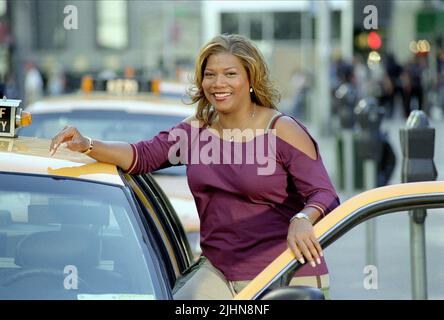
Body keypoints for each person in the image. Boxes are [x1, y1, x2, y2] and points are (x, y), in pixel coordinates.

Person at [50, 34, 340, 299]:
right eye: (210, 75)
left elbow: (325, 195)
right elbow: (141, 156)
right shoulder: (193, 132)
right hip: (219, 274)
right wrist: (86, 143)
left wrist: (302, 217)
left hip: (284, 272)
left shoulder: (282, 129)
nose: (218, 83)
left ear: (251, 79)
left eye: (230, 74)